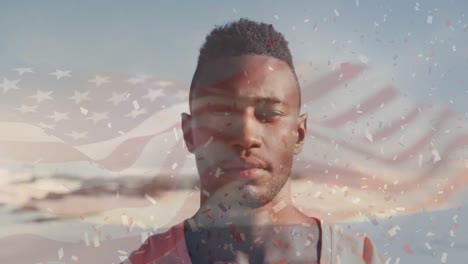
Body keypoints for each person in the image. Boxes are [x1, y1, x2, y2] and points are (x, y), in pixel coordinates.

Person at [124, 18, 384, 264]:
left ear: (299, 134)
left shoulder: (358, 258)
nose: (246, 137)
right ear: (190, 133)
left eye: (269, 114)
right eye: (221, 114)